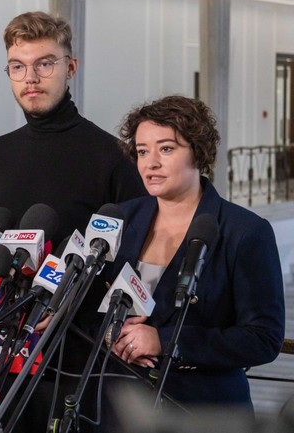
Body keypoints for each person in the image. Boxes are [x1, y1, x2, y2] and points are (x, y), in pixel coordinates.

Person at [0, 11, 147, 433]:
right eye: (17, 66)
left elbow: (133, 260)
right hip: (4, 352)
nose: (30, 78)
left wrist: (73, 305)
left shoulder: (111, 156)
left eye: (44, 63)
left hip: (79, 357)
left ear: (71, 67)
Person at [100, 95, 284, 423]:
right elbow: (89, 303)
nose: (151, 163)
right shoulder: (121, 218)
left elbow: (263, 338)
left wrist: (165, 341)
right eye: (142, 151)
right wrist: (110, 333)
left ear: (197, 152)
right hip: (122, 404)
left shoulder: (245, 231)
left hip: (204, 409)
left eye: (166, 149)